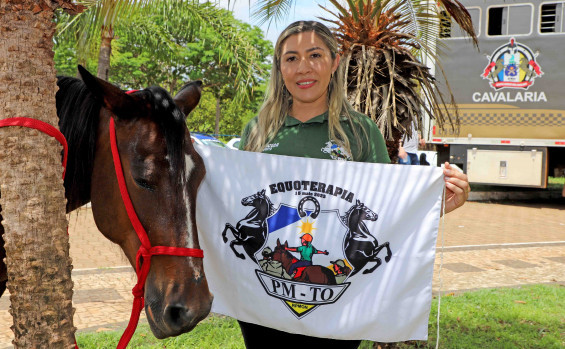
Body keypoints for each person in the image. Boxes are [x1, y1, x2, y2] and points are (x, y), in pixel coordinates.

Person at [238, 20, 470, 349]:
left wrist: (438, 205)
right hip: (265, 302)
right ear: (279, 68)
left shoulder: (360, 132)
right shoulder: (257, 131)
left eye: (315, 55)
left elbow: (388, 211)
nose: (303, 67)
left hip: (341, 306)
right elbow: (236, 205)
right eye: (291, 58)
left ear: (334, 62)